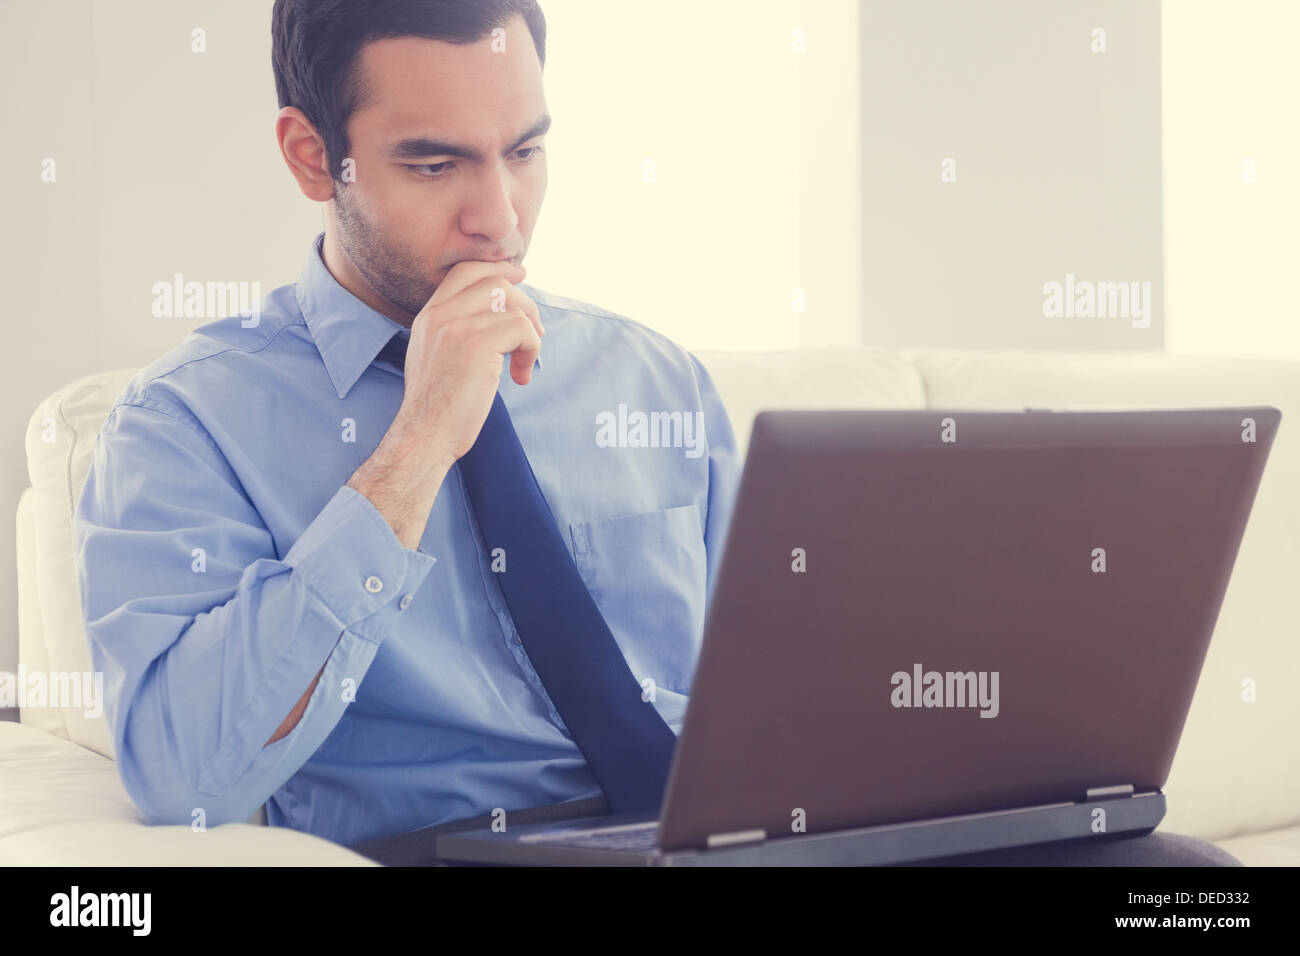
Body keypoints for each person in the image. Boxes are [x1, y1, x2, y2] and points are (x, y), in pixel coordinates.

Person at [73, 0, 1237, 867]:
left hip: (731, 838)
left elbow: (784, 673)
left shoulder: (644, 374)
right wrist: (419, 439)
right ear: (309, 155)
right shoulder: (184, 425)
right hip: (477, 850)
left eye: (525, 150)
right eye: (435, 163)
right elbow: (184, 774)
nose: (500, 215)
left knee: (1176, 880)